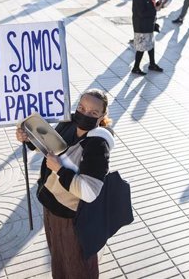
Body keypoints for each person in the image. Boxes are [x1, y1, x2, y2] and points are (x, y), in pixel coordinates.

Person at [15, 89, 115, 278]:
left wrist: (60, 169)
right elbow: (48, 147)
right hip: (52, 206)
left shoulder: (97, 144)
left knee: (77, 266)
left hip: (72, 218)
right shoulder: (68, 123)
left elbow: (89, 191)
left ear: (102, 115)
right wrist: (28, 139)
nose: (85, 114)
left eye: (93, 113)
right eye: (81, 107)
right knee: (59, 260)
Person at [132, 0, 164, 75]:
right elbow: (141, 13)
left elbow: (151, 6)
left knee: (151, 45)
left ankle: (152, 64)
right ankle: (136, 68)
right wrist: (155, 9)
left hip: (149, 24)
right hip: (141, 26)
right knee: (141, 48)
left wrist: (157, 4)